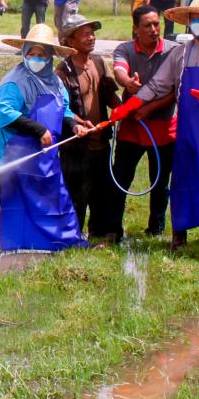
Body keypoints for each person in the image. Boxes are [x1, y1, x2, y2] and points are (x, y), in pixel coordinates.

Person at [111, 0, 199, 255]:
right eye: (193, 20)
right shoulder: (180, 54)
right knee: (183, 180)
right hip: (187, 131)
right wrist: (129, 106)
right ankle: (179, 235)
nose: (197, 24)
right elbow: (157, 85)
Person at [0, 23, 92, 252]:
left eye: (42, 54)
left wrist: (74, 126)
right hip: (5, 150)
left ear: (51, 56)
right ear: (24, 53)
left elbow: (63, 110)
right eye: (31, 52)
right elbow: (5, 113)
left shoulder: (55, 83)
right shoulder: (15, 81)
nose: (36, 58)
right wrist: (39, 130)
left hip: (35, 155)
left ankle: (42, 241)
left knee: (40, 196)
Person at [111, 5, 177, 237]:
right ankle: (113, 230)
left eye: (156, 24)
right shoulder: (125, 49)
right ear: (135, 29)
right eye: (147, 25)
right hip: (133, 127)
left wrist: (150, 107)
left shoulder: (173, 51)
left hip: (163, 127)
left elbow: (175, 90)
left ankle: (156, 230)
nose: (153, 29)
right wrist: (128, 82)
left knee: (160, 183)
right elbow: (119, 70)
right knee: (120, 179)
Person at [55, 14, 122, 241]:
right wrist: (77, 124)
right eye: (85, 34)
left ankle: (100, 235)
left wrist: (126, 109)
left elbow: (110, 95)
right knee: (77, 194)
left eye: (92, 33)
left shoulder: (99, 62)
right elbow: (61, 108)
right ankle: (72, 238)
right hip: (77, 146)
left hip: (101, 142)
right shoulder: (62, 72)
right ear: (70, 41)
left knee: (103, 192)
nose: (91, 37)